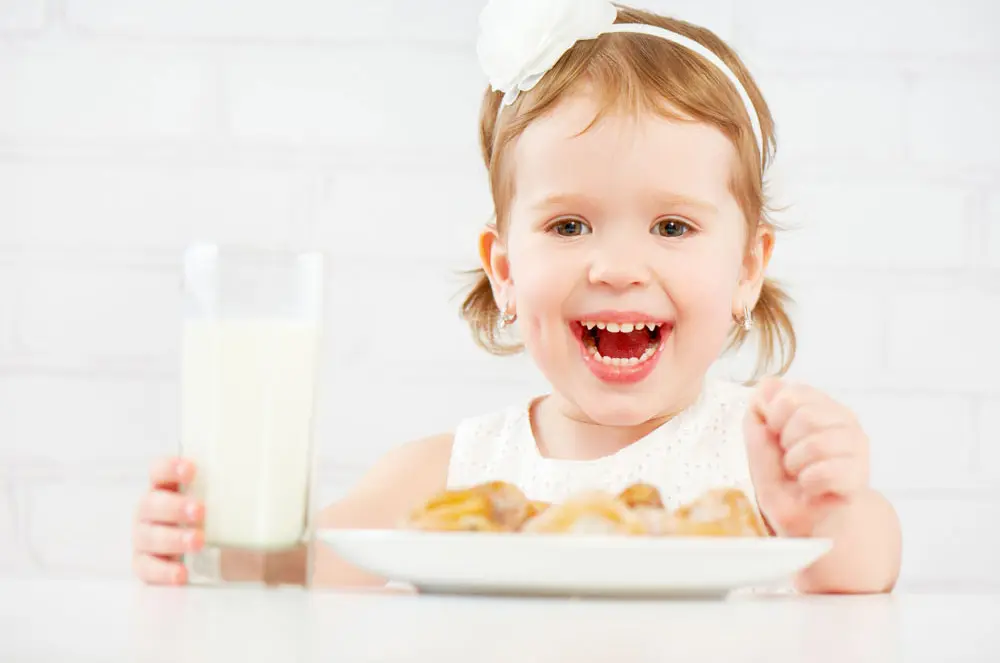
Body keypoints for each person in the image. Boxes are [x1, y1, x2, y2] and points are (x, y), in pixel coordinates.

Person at [132, 0, 902, 594]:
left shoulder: (762, 455)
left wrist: (825, 513)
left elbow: (871, 572)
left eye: (672, 225)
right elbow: (285, 574)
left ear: (747, 267)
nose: (617, 266)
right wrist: (193, 540)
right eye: (569, 224)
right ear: (503, 269)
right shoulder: (450, 477)